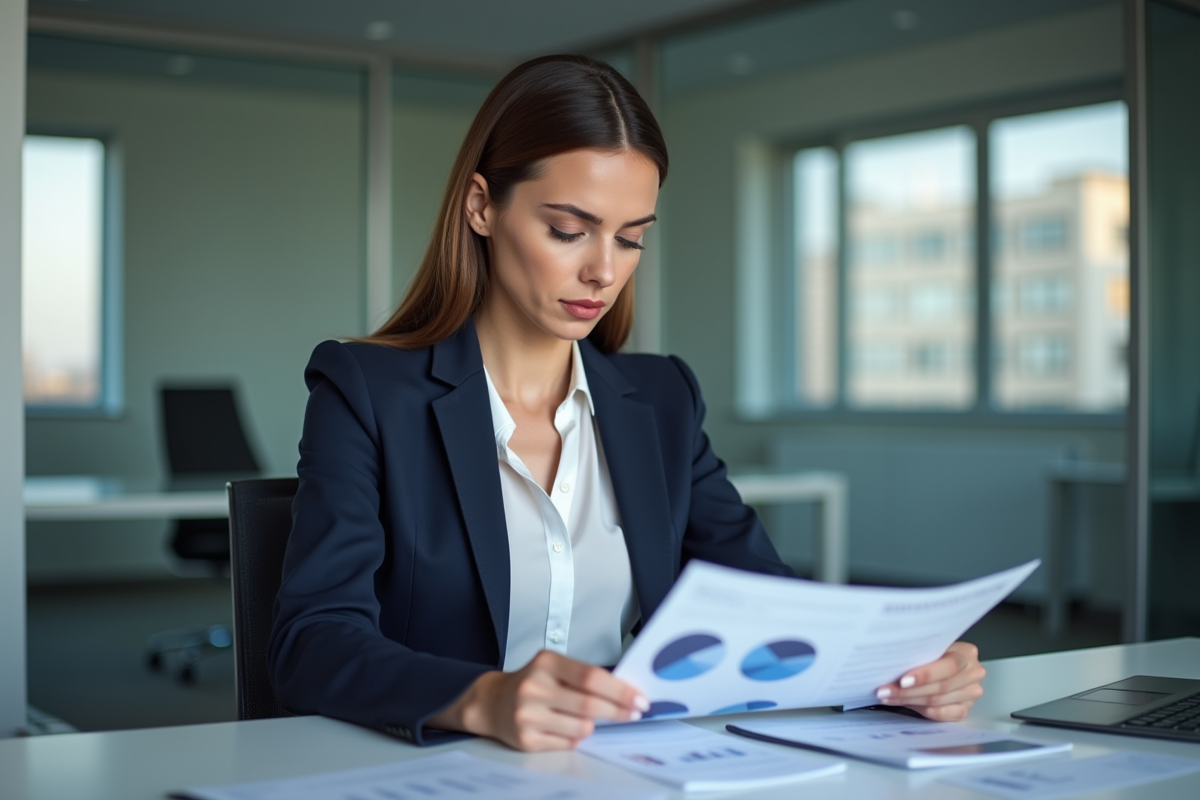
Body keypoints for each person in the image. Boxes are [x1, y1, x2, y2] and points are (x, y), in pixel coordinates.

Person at [268, 54, 986, 753]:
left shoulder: (663, 399)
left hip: (623, 768)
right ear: (482, 206)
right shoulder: (366, 390)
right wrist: (483, 698)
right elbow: (314, 641)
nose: (603, 270)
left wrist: (902, 666)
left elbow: (770, 604)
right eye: (568, 230)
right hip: (442, 770)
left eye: (631, 238)